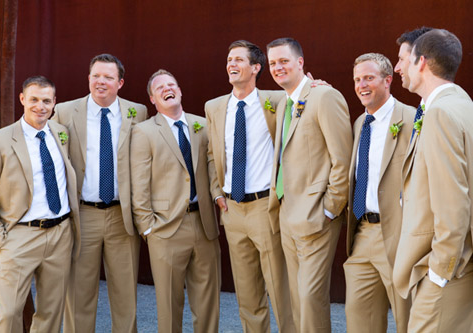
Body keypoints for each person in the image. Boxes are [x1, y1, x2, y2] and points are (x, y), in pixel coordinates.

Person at [393, 29, 473, 332]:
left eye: (402, 60)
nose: (398, 68)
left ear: (421, 62)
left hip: (449, 271)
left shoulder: (441, 114)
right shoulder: (469, 109)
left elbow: (453, 202)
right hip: (467, 266)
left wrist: (439, 272)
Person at [52, 54, 147, 333]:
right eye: (95, 76)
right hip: (83, 214)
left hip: (122, 216)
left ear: (120, 82)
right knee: (79, 294)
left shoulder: (137, 112)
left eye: (107, 77)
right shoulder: (66, 111)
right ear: (88, 78)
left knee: (125, 295)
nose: (100, 82)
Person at [205, 40, 295, 332]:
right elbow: (212, 153)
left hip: (264, 207)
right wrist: (217, 192)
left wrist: (316, 85)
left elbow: (305, 98)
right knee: (247, 295)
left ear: (256, 67)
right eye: (229, 59)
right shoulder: (214, 107)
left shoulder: (277, 100)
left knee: (280, 291)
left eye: (239, 60)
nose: (232, 64)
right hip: (232, 210)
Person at [267, 37, 352, 332]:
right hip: (286, 214)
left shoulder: (324, 97)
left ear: (300, 62)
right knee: (296, 299)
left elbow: (341, 159)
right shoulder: (283, 104)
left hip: (316, 216)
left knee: (310, 298)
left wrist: (330, 210)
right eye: (272, 63)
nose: (278, 67)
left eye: (284, 61)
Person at [131, 69, 220, 332]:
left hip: (204, 224)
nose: (167, 89)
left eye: (172, 85)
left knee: (208, 303)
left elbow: (215, 164)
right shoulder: (144, 132)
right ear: (152, 99)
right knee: (169, 305)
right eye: (160, 88)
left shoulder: (202, 125)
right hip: (165, 229)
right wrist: (147, 228)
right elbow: (139, 183)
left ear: (179, 91)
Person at [0, 76, 80, 332]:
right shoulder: (0, 140)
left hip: (60, 233)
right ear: (22, 99)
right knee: (9, 313)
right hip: (20, 235)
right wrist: (0, 242)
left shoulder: (61, 133)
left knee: (51, 313)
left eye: (46, 101)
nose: (39, 106)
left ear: (54, 103)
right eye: (33, 99)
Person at [344, 53, 414, 332]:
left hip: (399, 235)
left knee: (408, 320)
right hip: (362, 234)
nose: (362, 85)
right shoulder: (360, 124)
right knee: (359, 319)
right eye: (357, 79)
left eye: (369, 78)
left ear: (388, 80)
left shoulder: (412, 119)